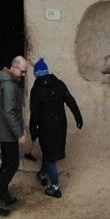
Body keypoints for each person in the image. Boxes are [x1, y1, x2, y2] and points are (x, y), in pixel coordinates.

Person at [28, 57, 84, 198]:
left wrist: (33, 129)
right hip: (60, 125)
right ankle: (43, 172)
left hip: (46, 127)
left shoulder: (36, 90)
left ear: (36, 75)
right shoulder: (60, 85)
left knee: (50, 157)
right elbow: (70, 101)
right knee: (49, 152)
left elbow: (35, 113)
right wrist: (78, 118)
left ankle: (55, 187)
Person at [0, 51, 29, 215]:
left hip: (3, 129)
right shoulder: (9, 85)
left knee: (7, 162)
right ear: (14, 67)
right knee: (12, 164)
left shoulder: (3, 80)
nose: (24, 75)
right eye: (23, 71)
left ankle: (3, 193)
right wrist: (19, 134)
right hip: (8, 132)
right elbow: (9, 112)